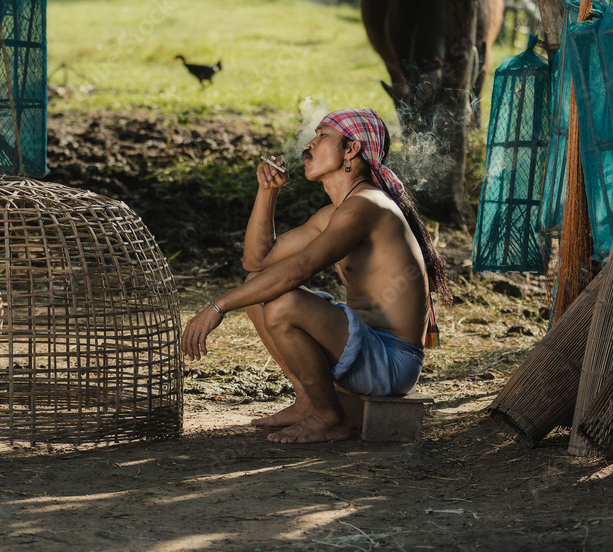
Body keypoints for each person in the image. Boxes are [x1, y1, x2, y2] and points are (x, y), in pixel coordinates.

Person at [181, 108, 451, 443]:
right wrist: (267, 191)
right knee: (256, 288)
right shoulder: (335, 213)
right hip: (365, 348)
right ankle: (309, 401)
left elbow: (301, 268)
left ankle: (329, 417)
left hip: (391, 363)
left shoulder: (366, 205)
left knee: (283, 303)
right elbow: (257, 261)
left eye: (323, 135)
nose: (310, 143)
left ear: (351, 150)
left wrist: (217, 306)